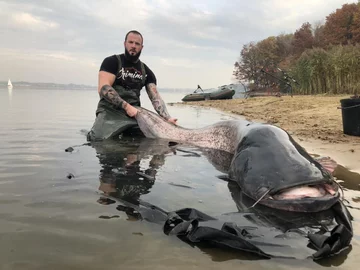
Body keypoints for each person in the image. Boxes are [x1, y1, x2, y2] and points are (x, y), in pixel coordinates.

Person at [87, 30, 177, 141]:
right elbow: (104, 88)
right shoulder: (111, 62)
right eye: (131, 42)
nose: (133, 46)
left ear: (141, 47)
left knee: (154, 139)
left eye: (137, 44)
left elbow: (155, 98)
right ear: (125, 44)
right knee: (97, 140)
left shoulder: (147, 71)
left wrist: (167, 118)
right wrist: (126, 106)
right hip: (109, 112)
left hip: (134, 115)